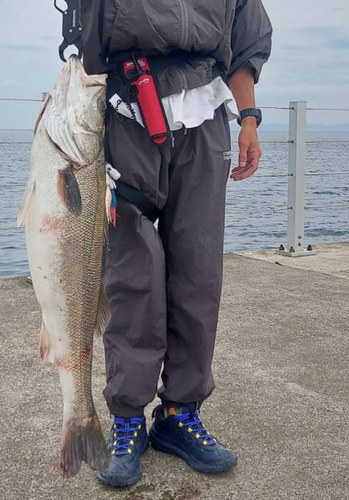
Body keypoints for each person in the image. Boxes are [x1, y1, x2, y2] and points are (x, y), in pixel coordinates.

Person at [81, 0, 272, 488]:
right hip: (126, 112)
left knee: (198, 271)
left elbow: (244, 42)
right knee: (131, 275)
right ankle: (127, 418)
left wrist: (248, 118)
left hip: (206, 117)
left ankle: (179, 414)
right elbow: (87, 46)